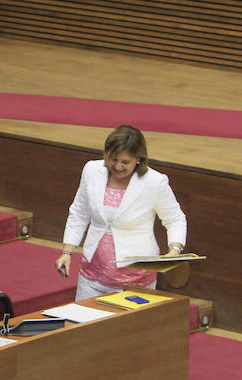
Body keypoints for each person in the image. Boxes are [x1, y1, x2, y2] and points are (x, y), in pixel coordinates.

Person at [55, 125, 186, 301]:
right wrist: (67, 251)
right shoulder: (91, 171)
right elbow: (79, 212)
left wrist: (174, 250)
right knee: (85, 326)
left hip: (136, 281)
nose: (117, 166)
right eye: (113, 159)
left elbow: (175, 219)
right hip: (92, 276)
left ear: (139, 159)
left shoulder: (155, 182)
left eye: (125, 162)